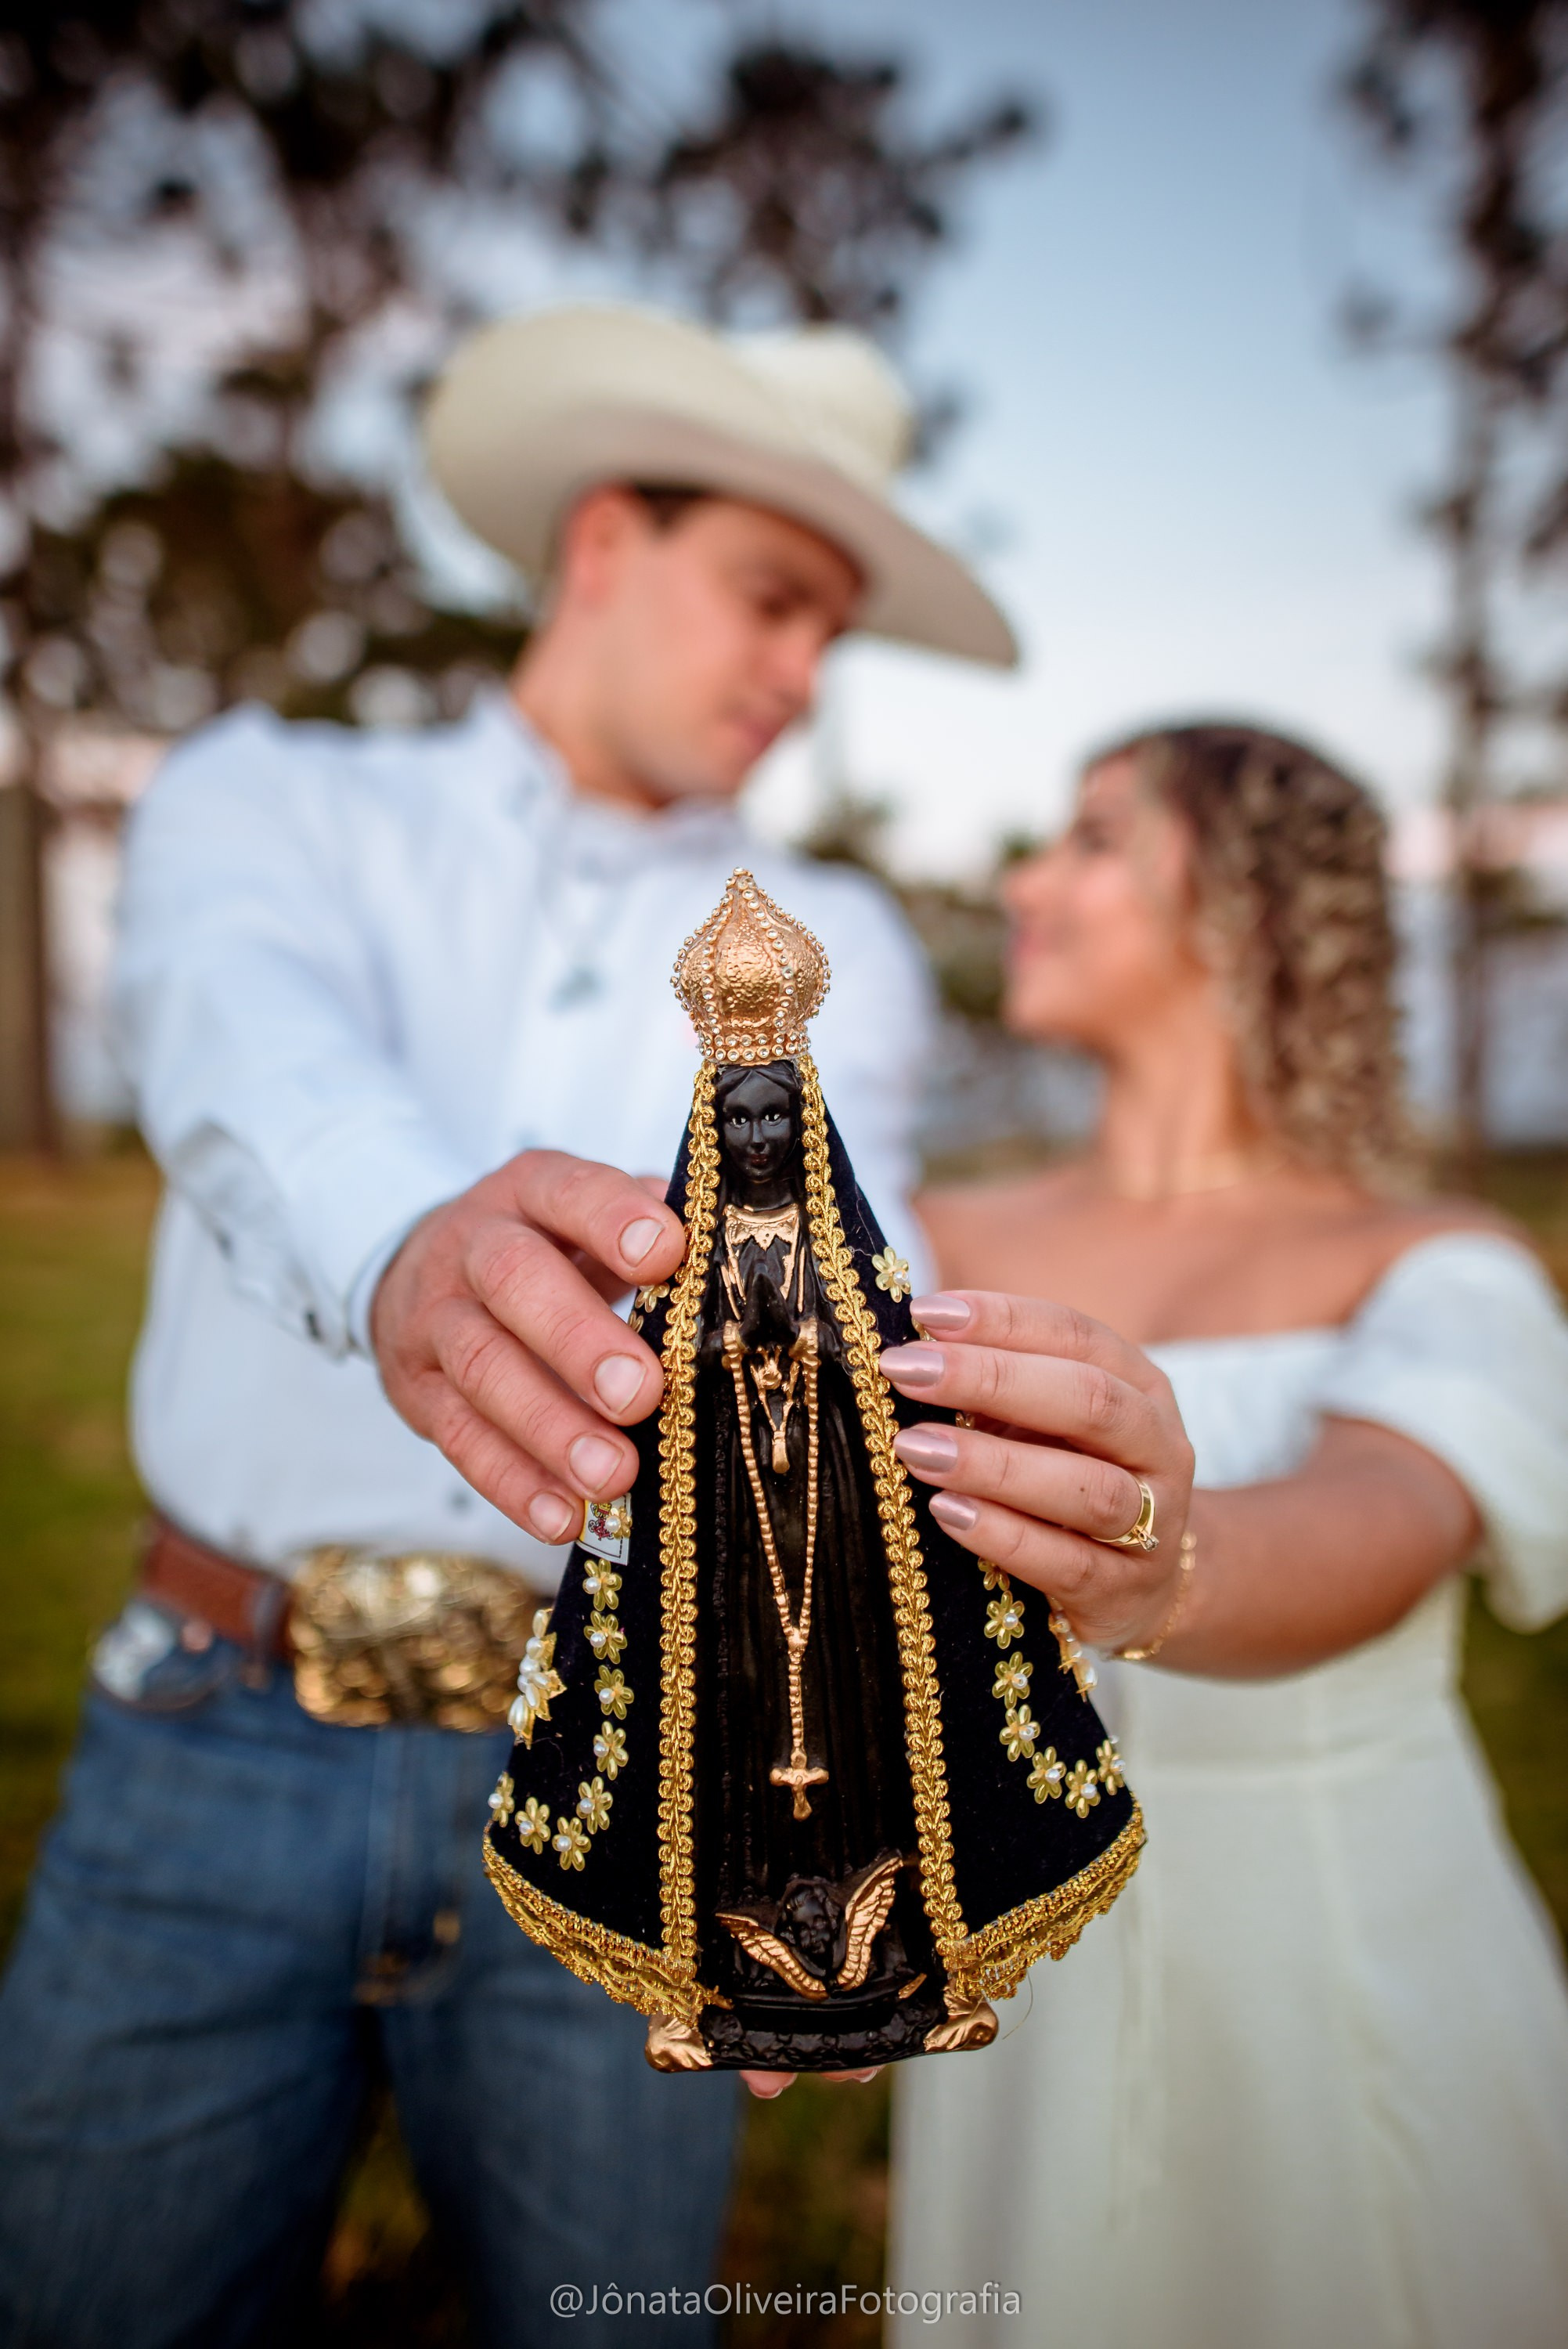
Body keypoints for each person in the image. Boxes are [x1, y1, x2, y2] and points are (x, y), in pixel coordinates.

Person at [0, 301, 1026, 2349]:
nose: (800, 673)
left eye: (834, 630)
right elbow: (231, 1028)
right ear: (597, 548)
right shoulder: (271, 799)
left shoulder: (849, 951)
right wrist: (400, 1244)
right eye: (768, 597)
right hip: (217, 1725)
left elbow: (833, 1351)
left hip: (625, 1778)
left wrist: (821, 1806)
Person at [880, 723, 1568, 2349]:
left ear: (1242, 908)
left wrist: (1161, 1569)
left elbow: (1387, 1517)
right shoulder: (926, 1241)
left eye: (1095, 839)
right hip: (1015, 1983)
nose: (1025, 882)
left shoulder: (1429, 1257)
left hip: (1338, 1972)